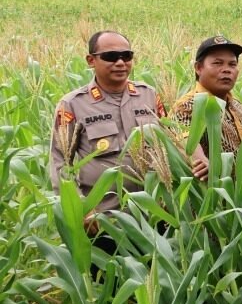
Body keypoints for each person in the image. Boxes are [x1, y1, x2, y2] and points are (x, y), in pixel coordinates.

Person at [49, 30, 169, 216]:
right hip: (103, 218)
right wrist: (80, 209)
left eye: (126, 56)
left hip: (153, 212)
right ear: (91, 60)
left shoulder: (149, 95)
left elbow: (168, 145)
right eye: (111, 57)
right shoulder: (73, 104)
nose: (120, 63)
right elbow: (60, 162)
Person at [171, 35, 242, 164]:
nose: (226, 70)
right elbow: (188, 145)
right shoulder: (188, 106)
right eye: (217, 63)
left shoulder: (239, 107)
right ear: (198, 68)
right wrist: (201, 162)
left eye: (232, 64)